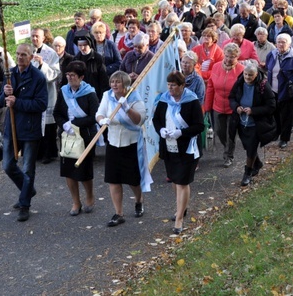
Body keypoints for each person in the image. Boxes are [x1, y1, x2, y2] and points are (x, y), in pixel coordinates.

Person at [0, 43, 48, 222]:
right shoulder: (9, 75)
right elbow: (1, 100)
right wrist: (5, 93)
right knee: (7, 165)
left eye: (24, 55)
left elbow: (41, 104)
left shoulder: (38, 77)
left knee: (28, 168)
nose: (20, 57)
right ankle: (28, 189)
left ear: (31, 57)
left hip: (30, 129)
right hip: (10, 128)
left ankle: (25, 203)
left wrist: (17, 102)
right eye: (18, 54)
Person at [152, 71, 204, 234]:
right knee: (175, 180)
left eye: (173, 85)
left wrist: (181, 133)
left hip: (187, 147)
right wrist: (161, 130)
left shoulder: (192, 101)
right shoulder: (164, 100)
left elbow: (199, 126)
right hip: (169, 146)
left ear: (182, 86)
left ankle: (179, 219)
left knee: (182, 182)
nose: (170, 88)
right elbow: (156, 119)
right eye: (168, 85)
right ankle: (182, 207)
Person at [97, 71, 150, 227]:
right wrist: (102, 121)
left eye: (118, 82)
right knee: (113, 180)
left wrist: (127, 108)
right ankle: (119, 213)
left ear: (125, 85)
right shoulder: (107, 96)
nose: (114, 85)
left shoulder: (134, 98)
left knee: (133, 180)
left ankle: (139, 200)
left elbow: (139, 120)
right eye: (112, 81)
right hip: (113, 142)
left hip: (131, 143)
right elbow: (99, 113)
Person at [53, 61, 100, 216]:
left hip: (85, 136)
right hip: (67, 136)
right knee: (68, 171)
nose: (69, 78)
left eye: (73, 75)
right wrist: (64, 125)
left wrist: (75, 124)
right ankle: (75, 201)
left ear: (81, 77)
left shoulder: (90, 94)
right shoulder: (63, 91)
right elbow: (57, 112)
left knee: (84, 170)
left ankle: (90, 196)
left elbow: (94, 117)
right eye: (68, 75)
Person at [228, 61, 276, 186]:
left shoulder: (263, 86)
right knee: (247, 146)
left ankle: (247, 173)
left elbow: (271, 106)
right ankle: (257, 163)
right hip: (242, 122)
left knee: (251, 148)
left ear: (256, 75)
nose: (247, 78)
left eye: (250, 75)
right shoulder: (239, 82)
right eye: (245, 74)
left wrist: (254, 111)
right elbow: (231, 97)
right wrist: (236, 107)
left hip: (256, 124)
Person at [265, 33, 293, 149]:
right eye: (278, 42)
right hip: (273, 89)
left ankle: (284, 138)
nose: (280, 44)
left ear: (289, 44)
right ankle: (277, 132)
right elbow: (268, 68)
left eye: (283, 42)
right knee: (275, 113)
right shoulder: (272, 54)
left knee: (286, 115)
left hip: (288, 90)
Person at [203, 42, 244, 167]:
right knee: (219, 131)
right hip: (218, 106)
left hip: (233, 108)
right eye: (226, 56)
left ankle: (228, 155)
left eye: (232, 57)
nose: (228, 59)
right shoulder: (215, 67)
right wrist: (207, 107)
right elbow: (210, 87)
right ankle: (227, 146)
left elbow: (244, 90)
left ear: (237, 57)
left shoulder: (241, 70)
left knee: (231, 132)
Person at [31, 28, 61, 164]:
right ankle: (37, 153)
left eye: (37, 36)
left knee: (48, 125)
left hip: (47, 93)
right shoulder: (28, 51)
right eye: (33, 36)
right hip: (32, 94)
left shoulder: (51, 53)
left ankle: (49, 153)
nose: (35, 39)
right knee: (35, 124)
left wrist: (42, 64)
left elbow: (55, 74)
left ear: (43, 38)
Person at [71, 31, 110, 99]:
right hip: (80, 95)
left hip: (95, 95)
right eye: (80, 45)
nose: (82, 48)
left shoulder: (98, 58)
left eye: (85, 45)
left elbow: (104, 80)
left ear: (90, 44)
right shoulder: (76, 59)